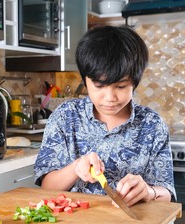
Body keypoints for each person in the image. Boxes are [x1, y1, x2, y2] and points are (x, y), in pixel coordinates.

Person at [34, 25, 176, 206]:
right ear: (85, 80)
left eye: (121, 86)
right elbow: (47, 188)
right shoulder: (65, 117)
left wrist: (149, 192)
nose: (110, 98)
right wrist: (76, 168)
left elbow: (167, 193)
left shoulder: (152, 124)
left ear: (135, 82)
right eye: (99, 86)